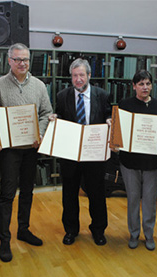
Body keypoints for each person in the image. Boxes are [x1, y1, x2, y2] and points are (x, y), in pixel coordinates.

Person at [0, 43, 53, 262]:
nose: (22, 63)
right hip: (9, 150)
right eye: (18, 59)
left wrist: (39, 133)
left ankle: (23, 229)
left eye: (25, 59)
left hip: (31, 148)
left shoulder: (40, 86)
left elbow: (46, 113)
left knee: (28, 191)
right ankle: (4, 239)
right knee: (7, 195)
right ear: (9, 61)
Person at [52, 58, 111, 246]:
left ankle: (98, 230)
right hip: (70, 154)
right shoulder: (62, 96)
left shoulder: (102, 95)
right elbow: (60, 115)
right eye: (75, 75)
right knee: (69, 194)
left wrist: (110, 120)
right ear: (71, 77)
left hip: (94, 154)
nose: (78, 79)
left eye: (82, 75)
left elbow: (109, 114)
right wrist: (55, 118)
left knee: (96, 193)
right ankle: (71, 230)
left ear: (89, 76)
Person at [118, 70, 157, 251]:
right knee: (132, 199)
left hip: (152, 163)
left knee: (149, 200)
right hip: (130, 162)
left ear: (152, 85)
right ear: (134, 86)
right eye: (141, 84)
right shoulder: (124, 105)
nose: (145, 87)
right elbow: (119, 131)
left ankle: (149, 234)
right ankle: (133, 234)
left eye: (148, 83)